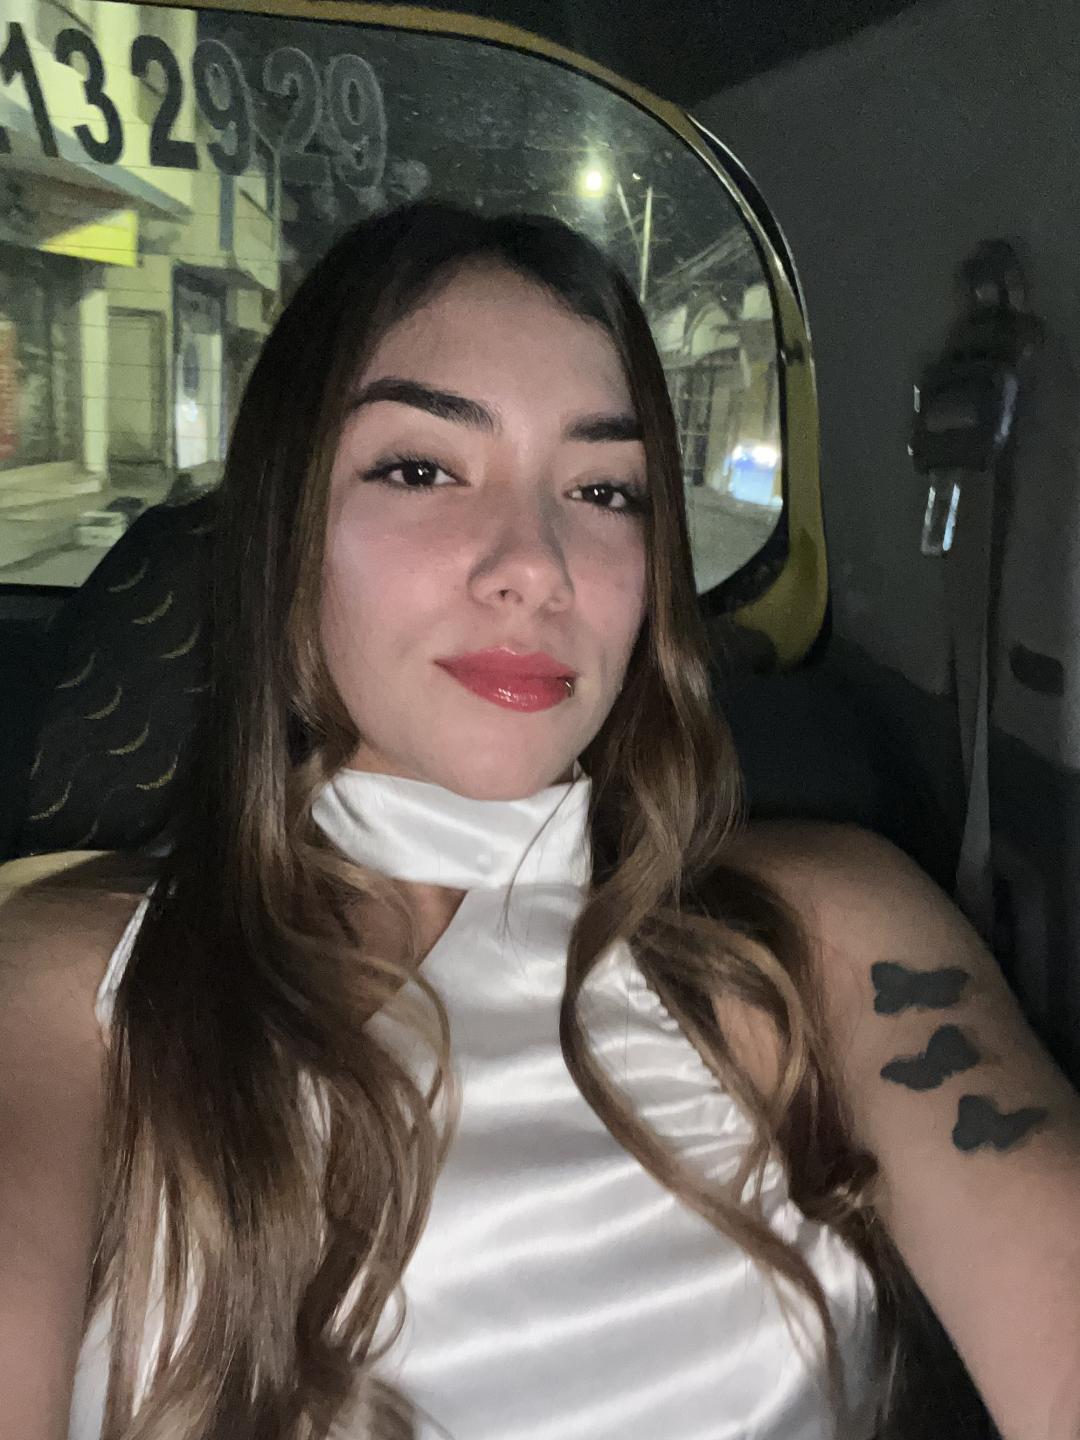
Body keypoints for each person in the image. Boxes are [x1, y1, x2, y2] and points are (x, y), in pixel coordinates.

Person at [1, 202, 1078, 1440]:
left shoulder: (829, 930)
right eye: (421, 470)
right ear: (287, 537)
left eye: (604, 488)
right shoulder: (83, 981)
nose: (536, 563)